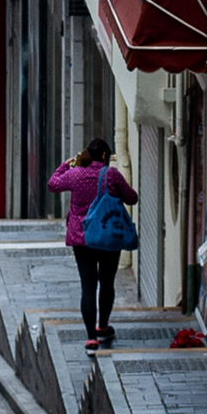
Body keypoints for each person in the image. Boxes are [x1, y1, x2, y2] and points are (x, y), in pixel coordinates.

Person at [47, 138, 137, 351]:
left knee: (88, 287)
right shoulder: (111, 175)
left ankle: (90, 338)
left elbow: (53, 184)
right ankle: (103, 326)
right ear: (105, 156)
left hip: (82, 238)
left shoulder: (76, 174)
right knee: (107, 283)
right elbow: (132, 198)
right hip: (108, 237)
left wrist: (65, 165)